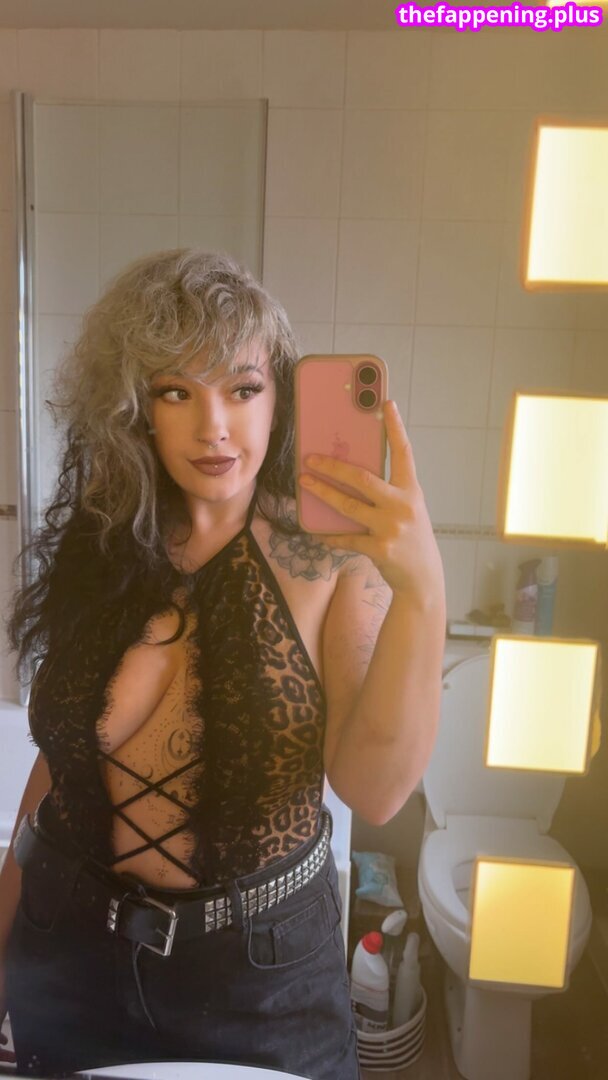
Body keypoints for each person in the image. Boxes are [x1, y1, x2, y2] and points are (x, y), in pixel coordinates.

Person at [0, 249, 446, 1079]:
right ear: (136, 408)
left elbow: (376, 789)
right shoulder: (106, 541)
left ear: (279, 396)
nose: (213, 427)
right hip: (64, 954)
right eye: (177, 392)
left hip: (261, 983)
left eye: (242, 389)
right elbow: (61, 763)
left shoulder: (329, 564)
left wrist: (423, 588)